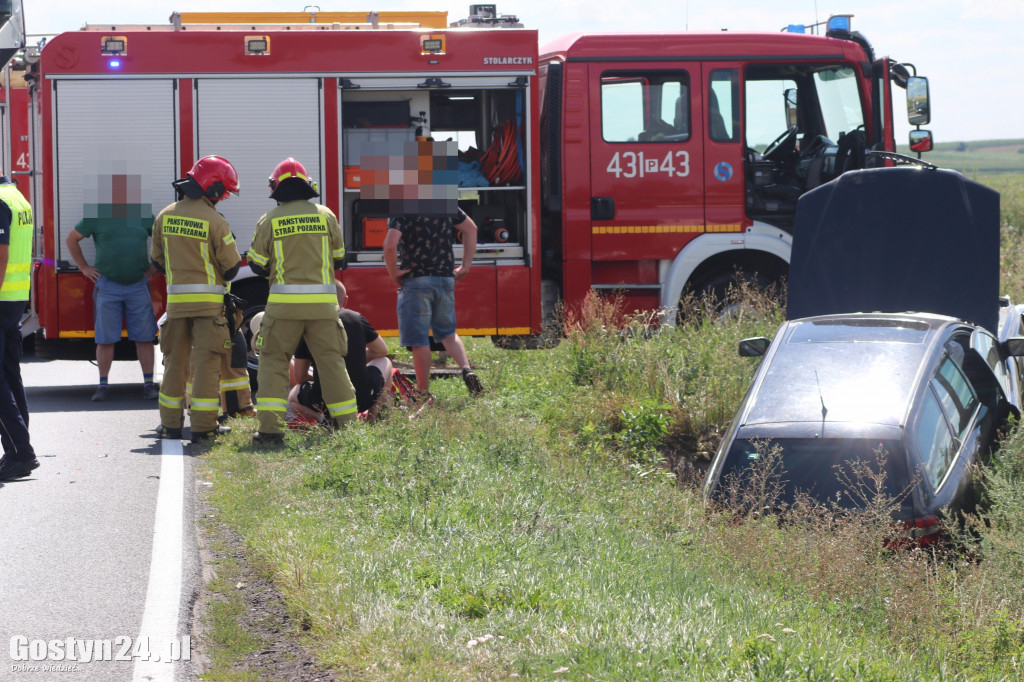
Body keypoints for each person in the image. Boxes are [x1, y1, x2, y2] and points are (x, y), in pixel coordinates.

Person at [248, 158, 357, 445]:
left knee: (273, 362)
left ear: (276, 188)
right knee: (332, 364)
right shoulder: (326, 215)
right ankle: (348, 428)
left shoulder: (269, 219)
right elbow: (339, 258)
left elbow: (257, 265)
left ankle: (270, 432)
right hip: (322, 308)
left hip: (283, 308)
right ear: (308, 185)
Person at [150, 156, 242, 443]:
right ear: (212, 188)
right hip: (209, 308)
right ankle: (204, 427)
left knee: (174, 364)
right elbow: (231, 267)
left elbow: (157, 261)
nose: (222, 199)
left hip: (176, 306)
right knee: (206, 364)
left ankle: (170, 426)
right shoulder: (215, 220)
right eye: (222, 192)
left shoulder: (165, 215)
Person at [65, 173, 159, 402]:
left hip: (138, 285)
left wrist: (156, 266)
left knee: (145, 337)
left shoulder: (144, 215)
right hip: (108, 285)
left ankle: (148, 384)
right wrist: (84, 267)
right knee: (105, 339)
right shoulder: (97, 216)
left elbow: (163, 240)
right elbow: (71, 239)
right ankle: (103, 386)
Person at [382, 207, 484, 401]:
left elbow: (390, 245)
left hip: (416, 281)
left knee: (419, 340)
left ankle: (423, 392)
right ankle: (466, 369)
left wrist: (393, 273)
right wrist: (466, 265)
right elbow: (471, 228)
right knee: (447, 333)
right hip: (445, 278)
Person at [287, 280, 393, 424]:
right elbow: (382, 351)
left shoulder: (307, 325)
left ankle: (323, 420)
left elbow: (300, 377)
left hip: (323, 402)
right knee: (385, 361)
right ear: (346, 300)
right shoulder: (356, 318)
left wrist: (321, 374)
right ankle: (372, 417)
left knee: (293, 398)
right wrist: (356, 361)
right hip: (363, 399)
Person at [0, 176, 39, 481]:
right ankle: (17, 450)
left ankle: (20, 452)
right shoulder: (17, 196)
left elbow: (1, 255)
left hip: (1, 296)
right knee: (10, 374)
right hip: (13, 297)